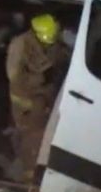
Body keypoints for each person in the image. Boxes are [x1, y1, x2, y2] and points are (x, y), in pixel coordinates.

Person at [5, 13, 71, 182]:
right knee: (31, 137)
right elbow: (14, 76)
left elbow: (59, 54)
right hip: (26, 101)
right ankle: (22, 178)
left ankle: (24, 174)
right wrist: (39, 80)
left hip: (43, 100)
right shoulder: (20, 45)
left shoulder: (50, 43)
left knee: (38, 138)